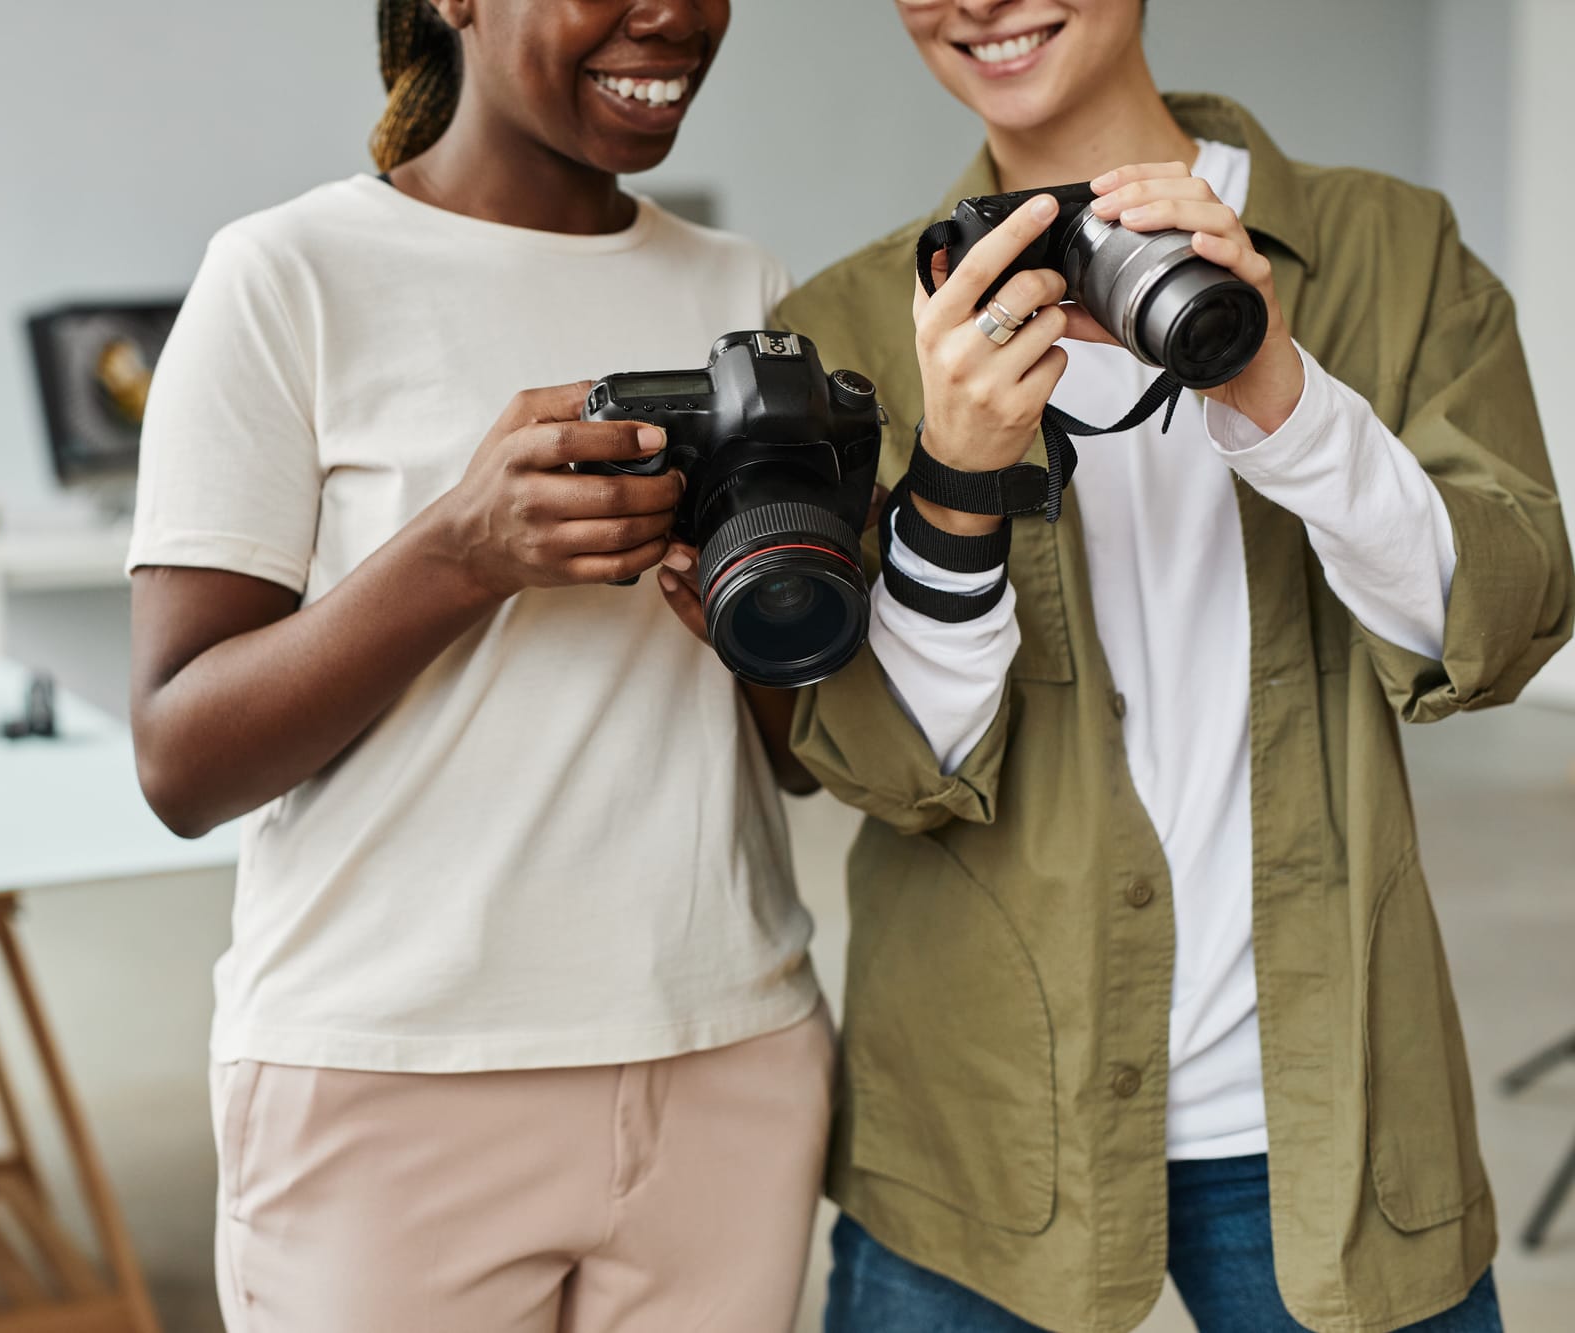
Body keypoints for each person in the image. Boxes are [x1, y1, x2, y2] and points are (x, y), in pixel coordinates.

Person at [774, 1, 1571, 1330]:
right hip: (981, 1124)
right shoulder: (853, 322)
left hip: (1331, 1118)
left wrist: (1281, 395)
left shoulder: (1388, 247)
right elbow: (891, 765)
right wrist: (957, 482)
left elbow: (1498, 625)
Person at [124, 2, 832, 1329]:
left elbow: (796, 760)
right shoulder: (287, 275)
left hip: (727, 1056)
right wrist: (458, 551)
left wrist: (759, 614)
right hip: (392, 1080)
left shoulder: (747, 288)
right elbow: (180, 757)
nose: (671, 13)